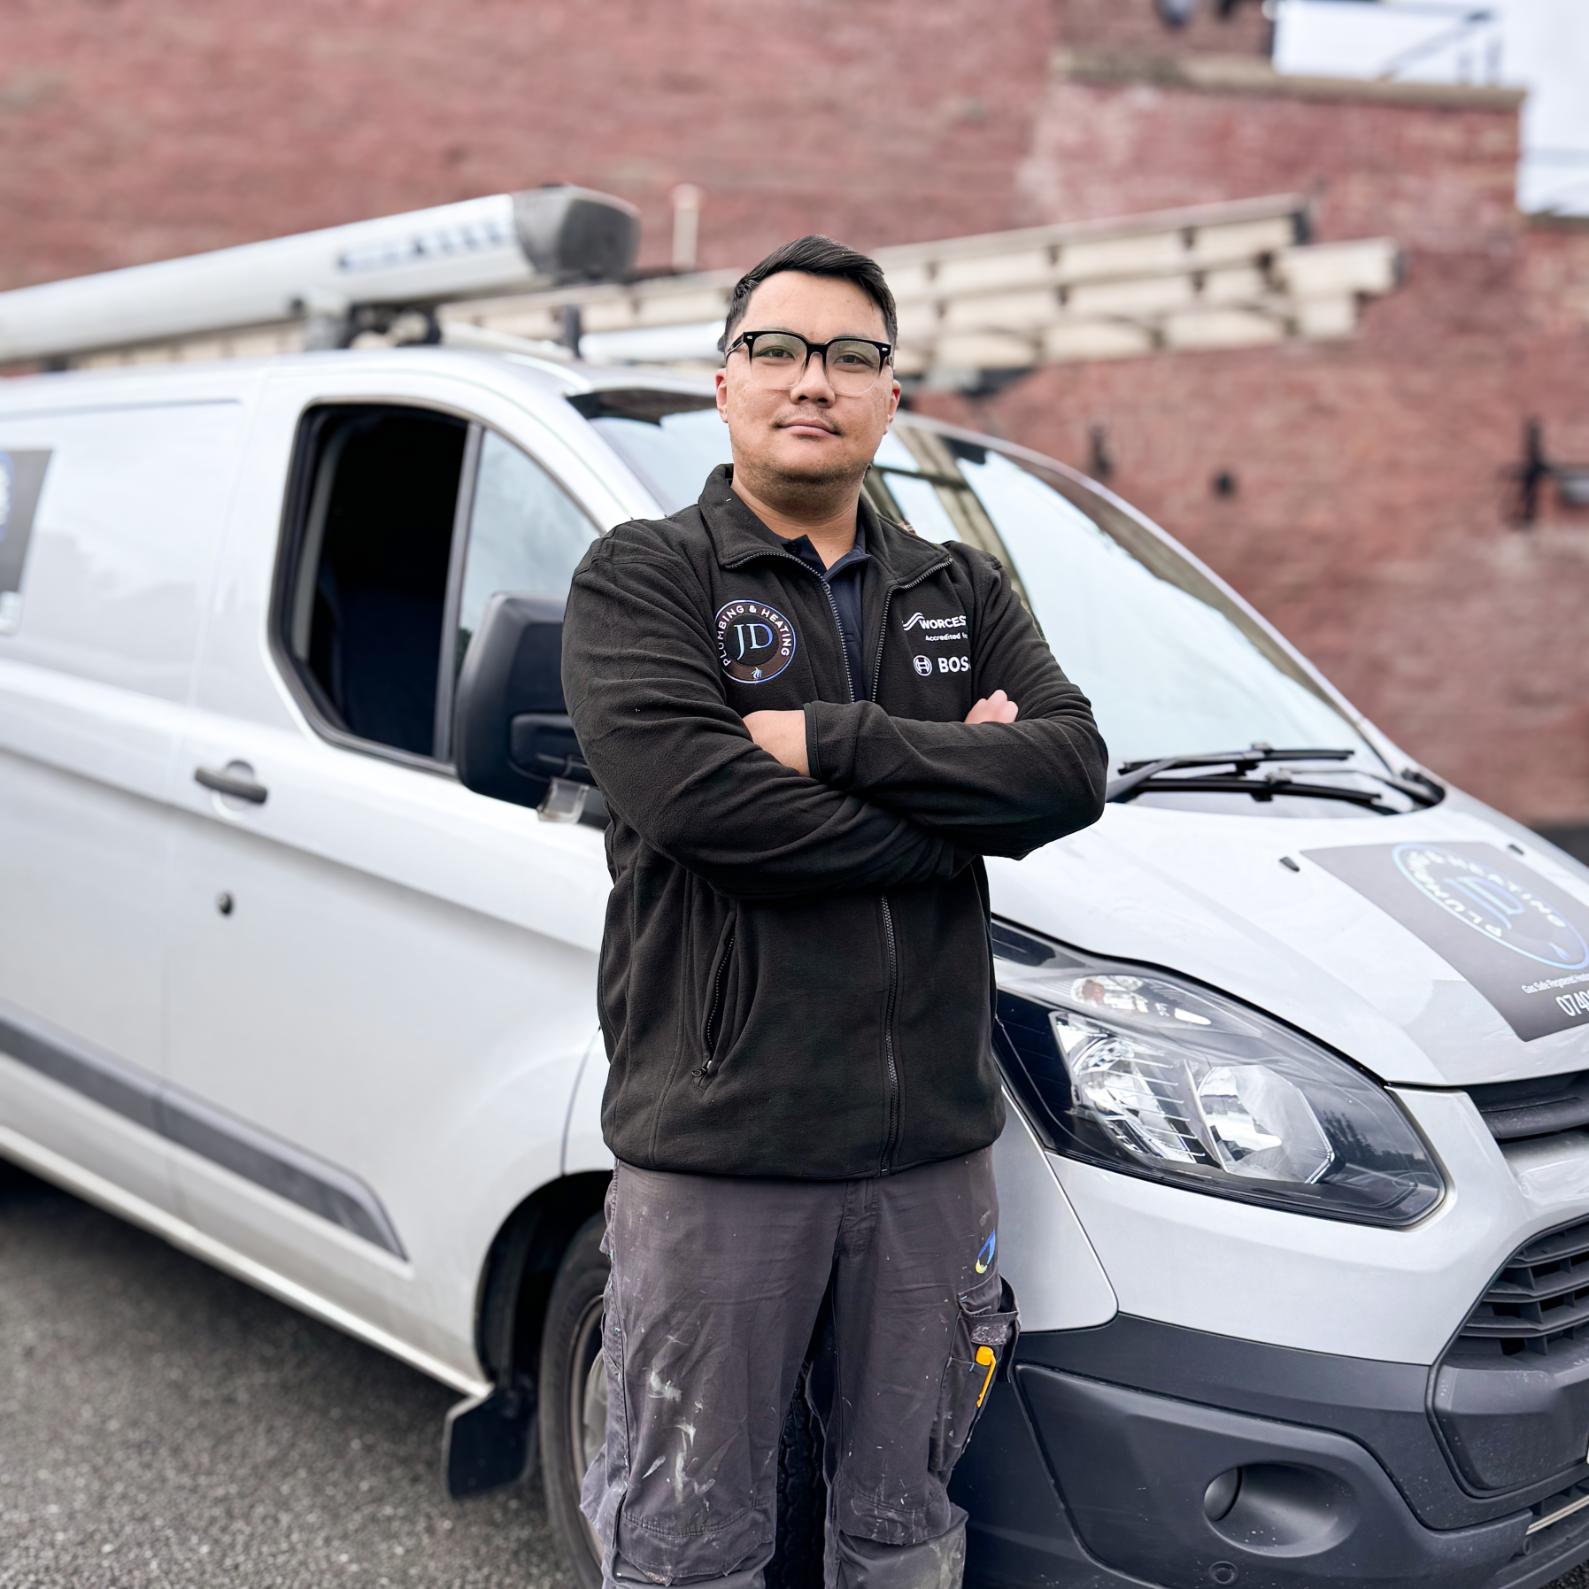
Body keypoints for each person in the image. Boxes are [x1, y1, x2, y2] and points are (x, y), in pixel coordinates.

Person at [560, 234, 1109, 1589]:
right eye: (777, 349)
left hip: (927, 1154)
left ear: (890, 395)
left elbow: (1067, 769)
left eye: (850, 355)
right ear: (724, 382)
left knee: (902, 1530)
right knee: (688, 1538)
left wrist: (831, 739)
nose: (813, 379)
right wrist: (956, 812)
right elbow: (706, 811)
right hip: (721, 1150)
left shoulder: (957, 587)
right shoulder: (646, 577)